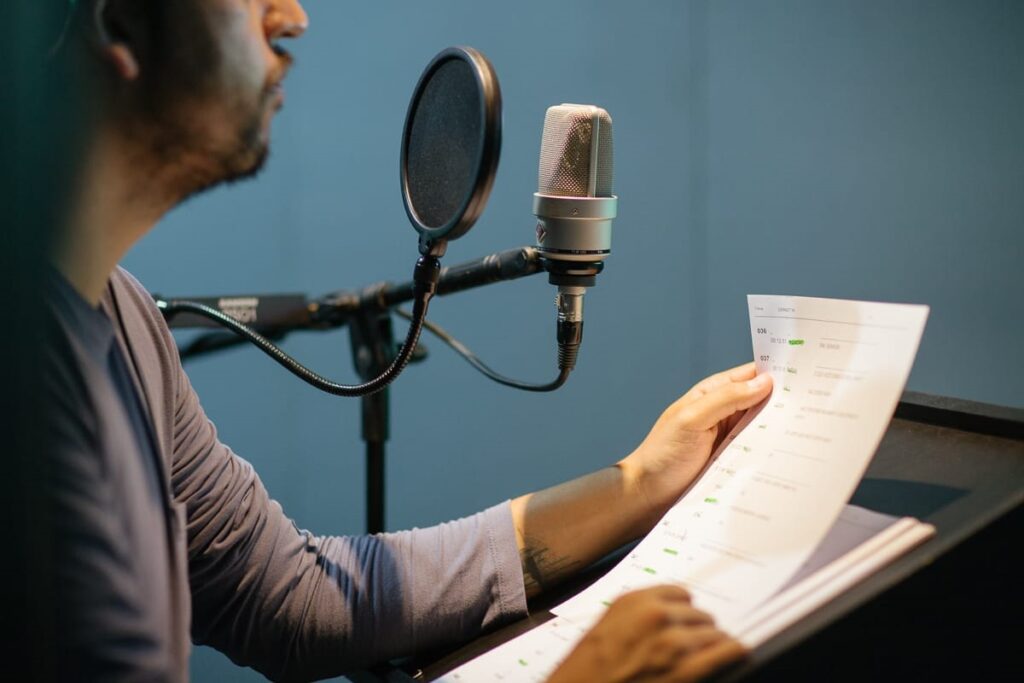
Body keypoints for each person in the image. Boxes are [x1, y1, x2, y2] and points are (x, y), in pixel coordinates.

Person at [42, 1, 773, 681]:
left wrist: (639, 481)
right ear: (122, 23)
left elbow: (290, 595)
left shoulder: (123, 315)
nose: (291, 17)